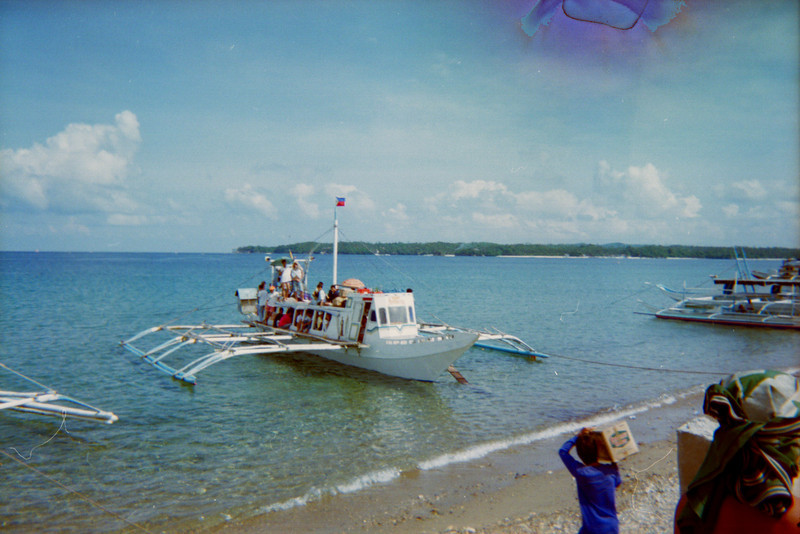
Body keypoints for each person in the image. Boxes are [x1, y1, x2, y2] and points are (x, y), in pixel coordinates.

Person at [559, 428, 622, 534]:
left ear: (580, 454)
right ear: (598, 451)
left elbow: (563, 451)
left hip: (592, 528)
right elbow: (618, 483)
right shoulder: (611, 472)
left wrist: (578, 436)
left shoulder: (581, 473)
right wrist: (611, 454)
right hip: (612, 526)